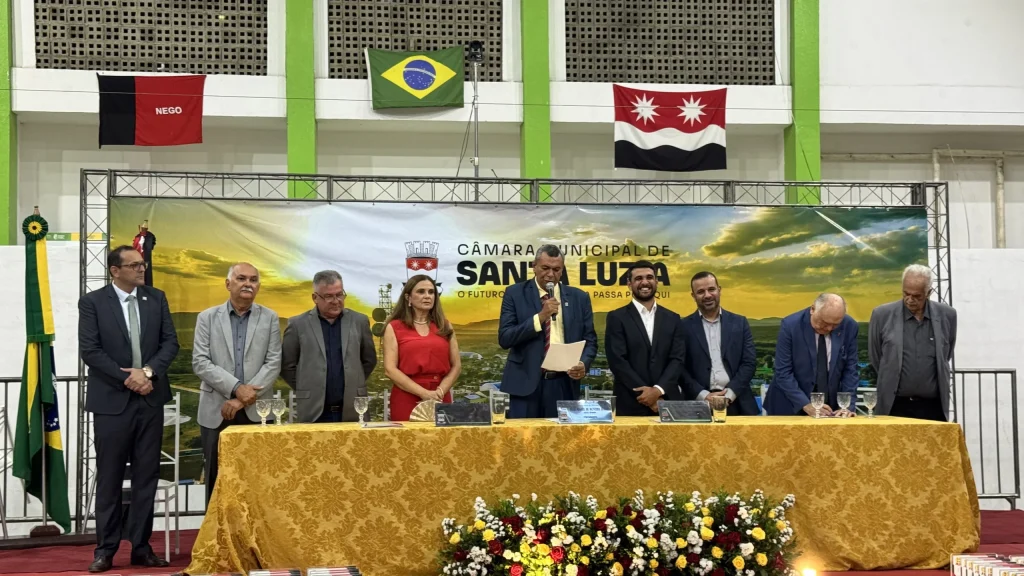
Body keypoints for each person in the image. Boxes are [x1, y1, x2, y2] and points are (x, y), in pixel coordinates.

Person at [78, 246, 179, 572]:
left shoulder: (156, 298)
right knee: (109, 478)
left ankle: (141, 547)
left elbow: (170, 343)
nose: (141, 269)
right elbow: (90, 350)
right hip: (112, 403)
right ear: (115, 270)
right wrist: (129, 378)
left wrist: (147, 373)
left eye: (142, 264)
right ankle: (105, 550)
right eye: (134, 265)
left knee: (146, 477)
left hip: (149, 400)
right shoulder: (93, 303)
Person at [192, 263, 281, 504]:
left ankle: (256, 529)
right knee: (217, 481)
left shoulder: (270, 318)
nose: (248, 284)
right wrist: (236, 388)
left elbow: (273, 363)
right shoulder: (207, 318)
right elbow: (200, 362)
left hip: (258, 411)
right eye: (241, 278)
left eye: (253, 280)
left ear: (258, 286)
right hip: (216, 411)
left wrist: (243, 398)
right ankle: (217, 528)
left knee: (258, 482)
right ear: (228, 284)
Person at [498, 245, 598, 418]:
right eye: (545, 268)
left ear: (562, 270)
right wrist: (540, 317)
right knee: (523, 435)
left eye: (556, 269)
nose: (551, 274)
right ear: (534, 266)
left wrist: (583, 363)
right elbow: (505, 338)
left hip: (564, 384)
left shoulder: (579, 298)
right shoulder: (514, 293)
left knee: (562, 436)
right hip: (524, 385)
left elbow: (590, 340)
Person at [281, 270, 377, 423]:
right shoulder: (298, 324)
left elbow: (369, 360)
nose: (336, 301)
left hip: (353, 408)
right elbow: (287, 366)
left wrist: (352, 381)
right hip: (313, 411)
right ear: (315, 298)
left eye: (339, 295)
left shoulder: (359, 321)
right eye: (329, 296)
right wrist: (308, 386)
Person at [868, 264, 957, 421]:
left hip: (933, 407)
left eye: (916, 296)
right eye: (906, 294)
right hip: (894, 405)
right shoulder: (882, 315)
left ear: (929, 292)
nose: (909, 300)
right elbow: (877, 358)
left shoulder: (947, 315)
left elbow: (946, 354)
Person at [604, 260, 685, 415]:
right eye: (638, 278)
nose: (645, 282)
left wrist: (658, 390)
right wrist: (649, 397)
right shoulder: (616, 318)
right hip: (630, 403)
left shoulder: (673, 318)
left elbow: (677, 359)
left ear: (657, 281)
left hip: (667, 401)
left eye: (649, 277)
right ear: (629, 284)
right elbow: (618, 362)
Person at [763, 293, 859, 416]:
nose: (829, 328)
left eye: (835, 325)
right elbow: (783, 371)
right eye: (824, 322)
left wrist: (847, 406)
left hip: (829, 408)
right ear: (812, 309)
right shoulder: (790, 325)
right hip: (789, 404)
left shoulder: (850, 326)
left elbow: (850, 370)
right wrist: (806, 404)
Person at [382, 274, 462, 421]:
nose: (427, 296)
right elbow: (390, 370)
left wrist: (440, 392)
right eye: (421, 292)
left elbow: (456, 366)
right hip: (407, 395)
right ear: (408, 297)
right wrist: (423, 393)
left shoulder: (444, 325)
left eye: (431, 292)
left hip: (440, 395)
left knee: (443, 436)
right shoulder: (394, 327)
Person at [679, 272, 760, 416]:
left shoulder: (740, 323)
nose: (707, 295)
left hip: (738, 402)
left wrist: (728, 395)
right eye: (700, 292)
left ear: (719, 290)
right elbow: (679, 367)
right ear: (693, 296)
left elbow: (749, 362)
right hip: (697, 405)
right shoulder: (682, 327)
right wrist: (704, 395)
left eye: (711, 289)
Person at [132, 221, 156, 287]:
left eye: (144, 228)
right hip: (138, 256)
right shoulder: (138, 236)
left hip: (145, 257)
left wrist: (145, 247)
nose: (143, 229)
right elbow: (135, 245)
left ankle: (146, 286)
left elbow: (151, 244)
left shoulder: (150, 236)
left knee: (146, 272)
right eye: (142, 228)